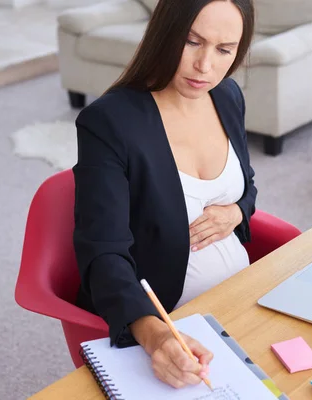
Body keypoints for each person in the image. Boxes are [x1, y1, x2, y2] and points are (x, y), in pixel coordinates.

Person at [72, 0, 256, 389]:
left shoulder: (227, 96)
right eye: (192, 42)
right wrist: (156, 336)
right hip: (171, 320)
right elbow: (103, 252)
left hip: (242, 299)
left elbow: (248, 184)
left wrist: (237, 212)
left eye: (224, 50)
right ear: (165, 34)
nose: (206, 66)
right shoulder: (109, 122)